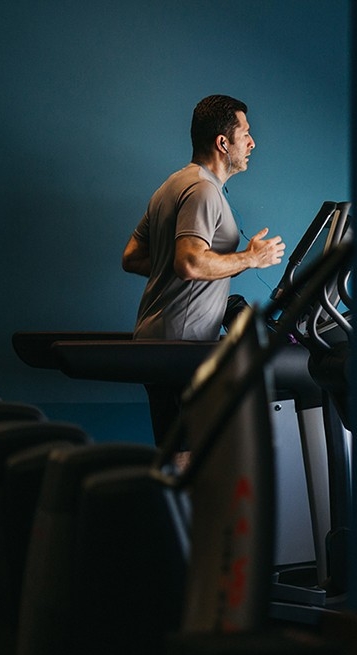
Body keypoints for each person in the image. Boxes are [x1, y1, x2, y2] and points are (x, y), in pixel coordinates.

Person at [121, 94, 285, 443]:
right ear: (223, 143)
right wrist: (250, 259)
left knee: (179, 451)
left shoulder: (173, 184)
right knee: (186, 459)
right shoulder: (203, 191)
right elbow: (190, 262)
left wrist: (226, 263)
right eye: (246, 134)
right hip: (180, 347)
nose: (252, 143)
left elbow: (133, 257)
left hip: (163, 344)